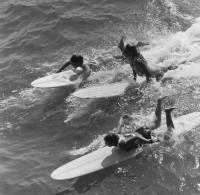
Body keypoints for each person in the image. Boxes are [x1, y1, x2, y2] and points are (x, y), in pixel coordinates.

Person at [103, 96, 168, 151]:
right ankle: (159, 102)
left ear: (112, 142)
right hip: (140, 130)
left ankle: (168, 115)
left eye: (106, 143)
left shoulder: (121, 144)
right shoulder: (117, 134)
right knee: (156, 122)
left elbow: (136, 137)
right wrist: (122, 117)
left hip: (143, 135)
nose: (105, 144)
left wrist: (147, 141)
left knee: (164, 138)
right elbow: (120, 124)